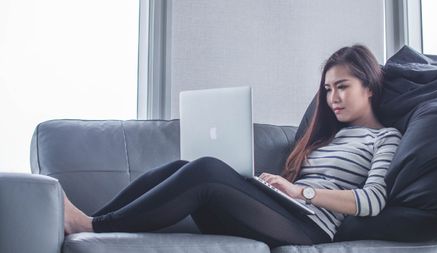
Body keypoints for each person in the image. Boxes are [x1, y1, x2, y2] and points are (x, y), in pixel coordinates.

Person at [63, 44, 402, 248]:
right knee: (185, 166)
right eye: (327, 89)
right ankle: (94, 219)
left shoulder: (385, 137)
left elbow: (372, 201)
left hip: (311, 228)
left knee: (207, 169)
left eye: (341, 86)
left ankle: (91, 227)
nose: (332, 98)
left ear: (369, 87)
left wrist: (302, 193)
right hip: (284, 211)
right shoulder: (329, 136)